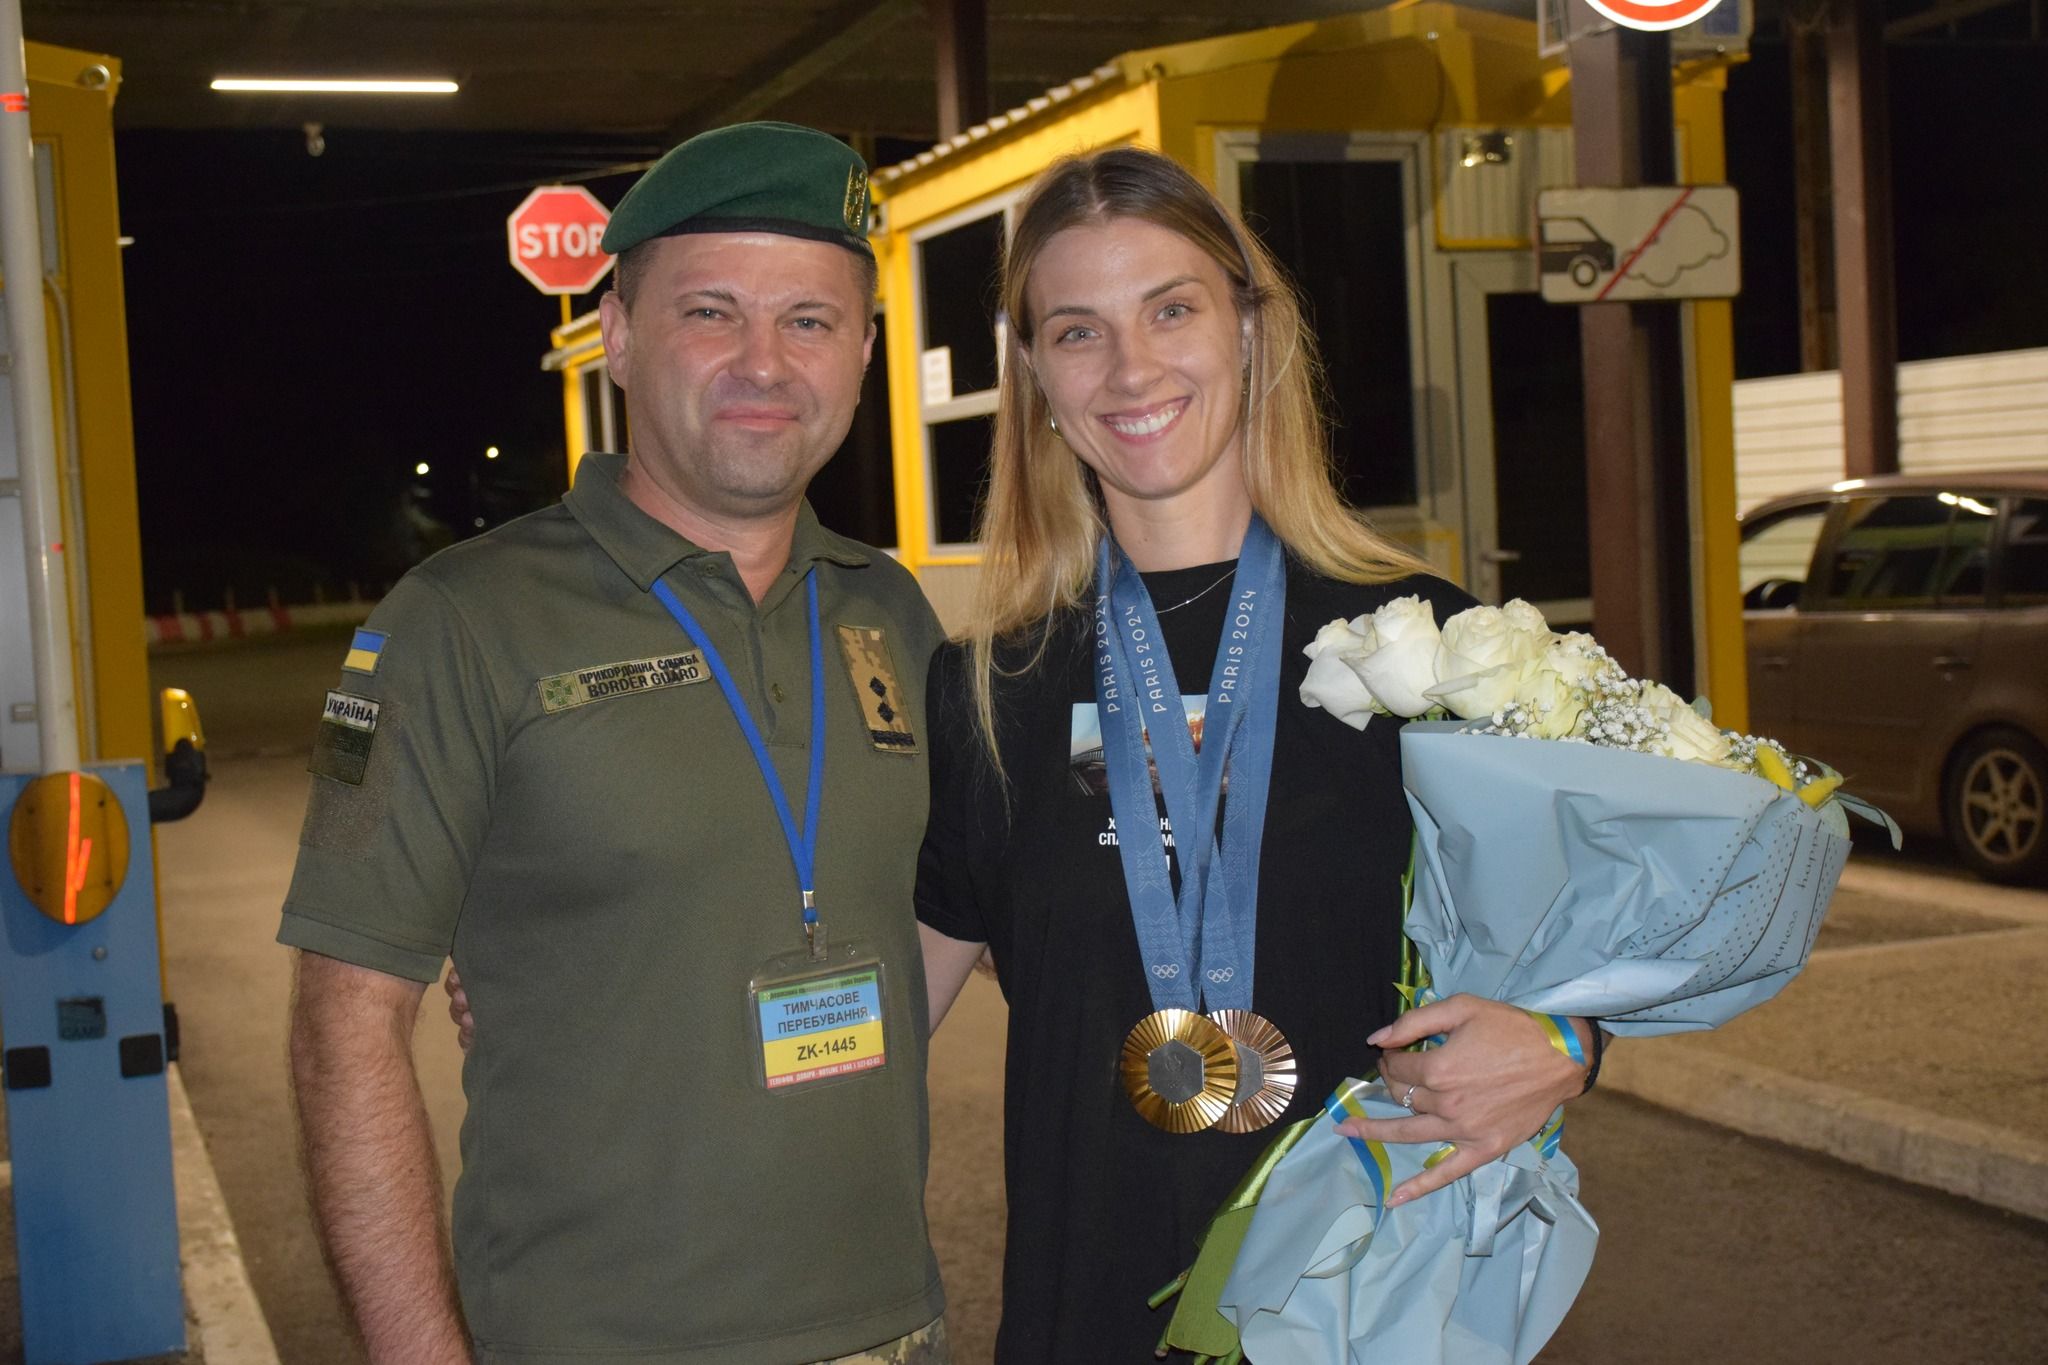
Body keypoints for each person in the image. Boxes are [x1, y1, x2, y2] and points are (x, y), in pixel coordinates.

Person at [908, 147, 1599, 1362]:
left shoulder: (1426, 647)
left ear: (1246, 328)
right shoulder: (988, 689)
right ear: (1035, 378)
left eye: (1169, 310)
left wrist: (1569, 1044)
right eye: (1076, 332)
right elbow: (883, 1008)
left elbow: (1591, 929)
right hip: (1085, 1317)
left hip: (1361, 1308)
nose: (1129, 367)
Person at [281, 122, 950, 1365]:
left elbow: (951, 920)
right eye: (710, 312)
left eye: (809, 320)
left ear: (862, 353)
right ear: (619, 336)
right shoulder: (457, 621)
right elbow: (344, 1025)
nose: (763, 362)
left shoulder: (891, 616)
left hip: (893, 1328)